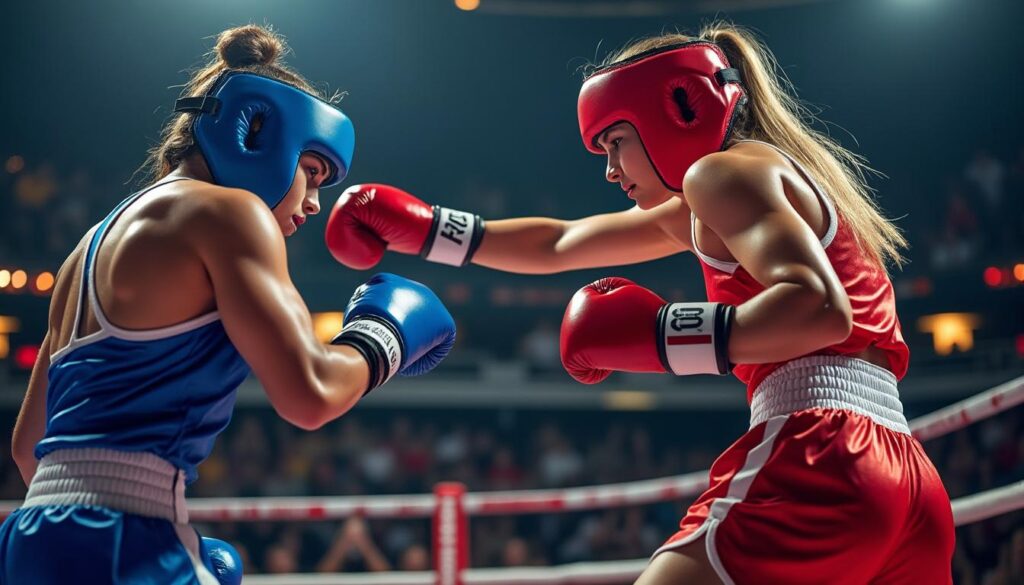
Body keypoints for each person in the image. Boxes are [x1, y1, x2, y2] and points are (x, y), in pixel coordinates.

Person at [324, 22, 953, 585]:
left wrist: (657, 336)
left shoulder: (722, 174)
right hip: (909, 479)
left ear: (678, 109)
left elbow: (820, 311)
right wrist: (431, 228)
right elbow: (563, 242)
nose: (609, 170)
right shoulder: (747, 186)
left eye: (615, 142)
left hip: (824, 451)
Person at [2, 25, 456, 585]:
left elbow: (30, 451)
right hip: (124, 540)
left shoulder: (88, 246)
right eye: (311, 174)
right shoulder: (230, 214)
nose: (315, 203)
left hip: (30, 541)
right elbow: (310, 393)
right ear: (258, 136)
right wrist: (387, 333)